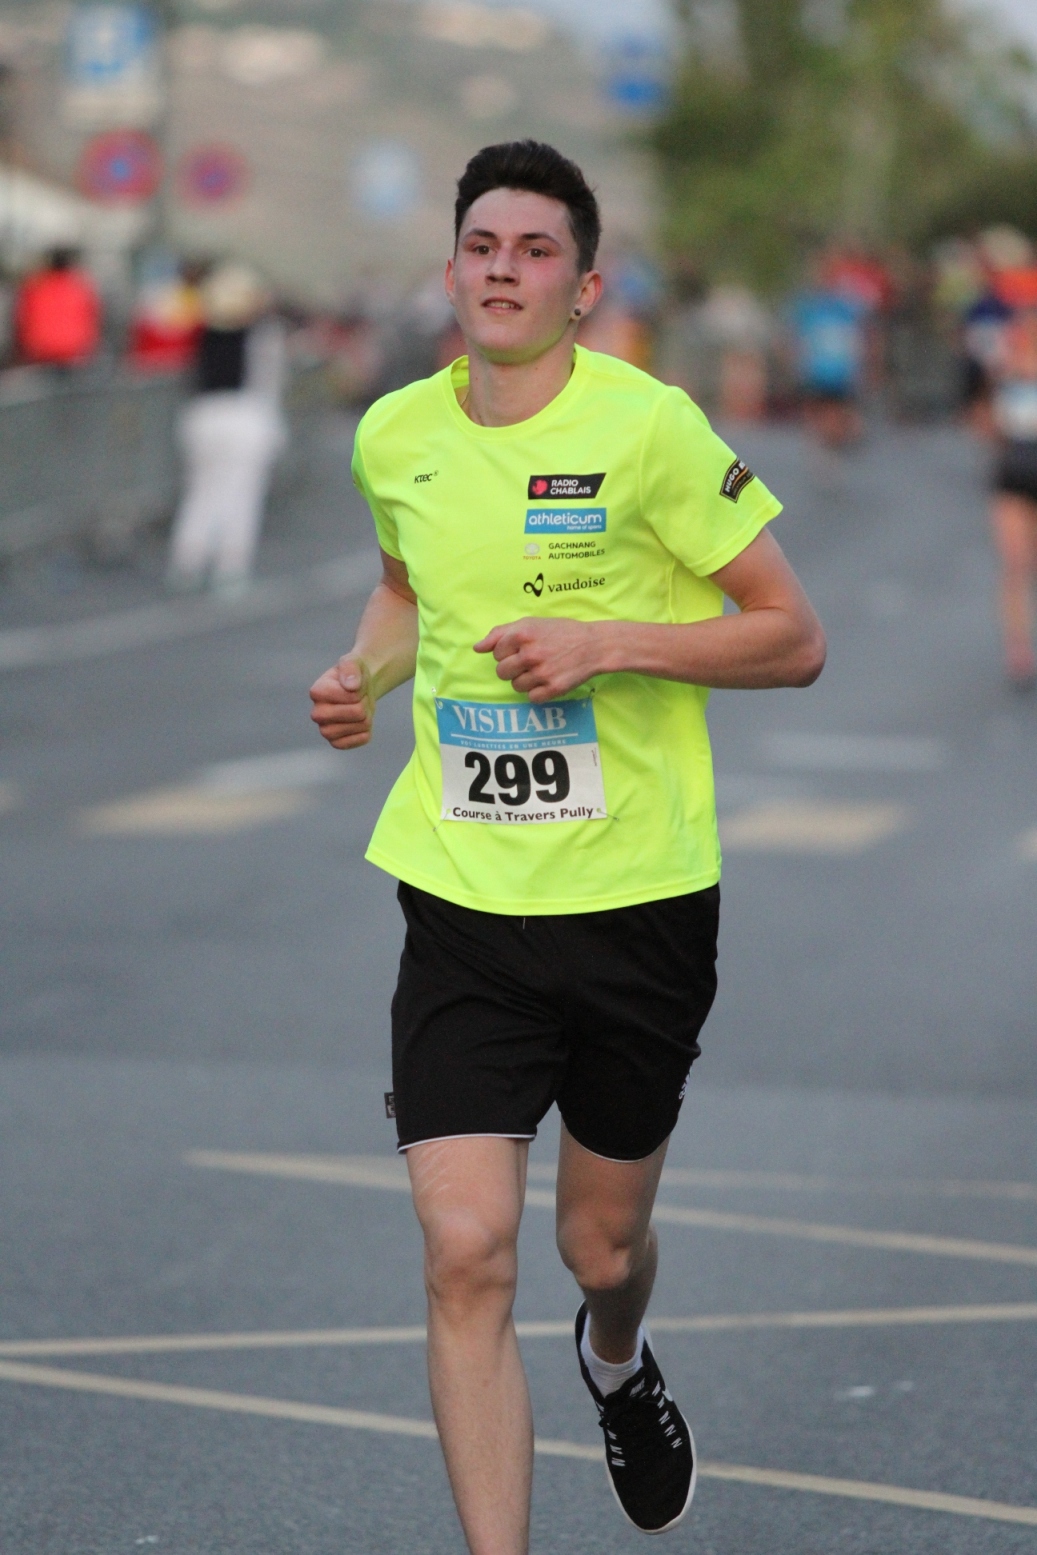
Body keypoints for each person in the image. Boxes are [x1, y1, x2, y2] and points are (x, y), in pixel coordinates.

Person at [309, 140, 826, 1553]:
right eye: (482, 246)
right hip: (462, 890)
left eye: (535, 251)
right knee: (464, 1249)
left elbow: (792, 636)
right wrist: (364, 673)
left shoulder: (651, 429)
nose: (503, 271)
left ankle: (615, 1352)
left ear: (583, 287)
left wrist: (611, 640)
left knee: (597, 1245)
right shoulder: (395, 433)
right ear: (450, 270)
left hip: (635, 897)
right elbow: (407, 588)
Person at [166, 261, 286, 594]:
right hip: (244, 417)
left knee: (201, 489)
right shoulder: (262, 335)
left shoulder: (202, 332)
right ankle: (229, 566)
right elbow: (268, 384)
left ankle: (188, 559)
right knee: (241, 494)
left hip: (202, 415)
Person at [988, 303, 1037, 690]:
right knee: (1015, 563)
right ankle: (1019, 647)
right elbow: (992, 426)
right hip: (1015, 473)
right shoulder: (1007, 373)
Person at [14, 247, 101, 367]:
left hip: (40, 349)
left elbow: (21, 319)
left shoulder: (34, 287)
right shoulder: (81, 288)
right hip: (75, 349)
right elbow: (93, 318)